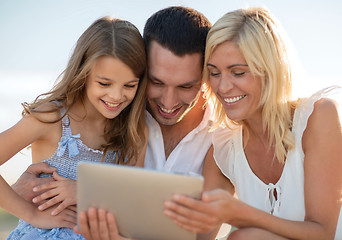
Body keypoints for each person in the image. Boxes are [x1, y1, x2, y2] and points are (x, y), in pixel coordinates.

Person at [163, 7, 342, 239]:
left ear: (271, 70)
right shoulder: (225, 146)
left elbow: (323, 232)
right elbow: (199, 236)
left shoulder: (318, 117)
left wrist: (242, 215)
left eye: (237, 72)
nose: (222, 87)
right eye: (214, 73)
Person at [3, 16, 147, 239]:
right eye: (104, 83)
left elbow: (129, 198)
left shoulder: (132, 128)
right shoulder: (51, 118)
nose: (117, 96)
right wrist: (32, 214)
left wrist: (86, 192)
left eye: (130, 85)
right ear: (83, 73)